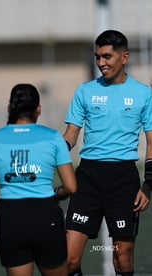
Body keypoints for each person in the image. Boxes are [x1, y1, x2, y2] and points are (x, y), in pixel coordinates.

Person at [63, 30, 152, 276]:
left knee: (122, 259)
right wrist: (51, 153)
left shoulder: (143, 93)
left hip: (123, 179)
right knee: (69, 259)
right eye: (97, 57)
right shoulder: (84, 91)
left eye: (107, 57)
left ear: (124, 57)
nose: (101, 63)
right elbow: (71, 135)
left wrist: (148, 185)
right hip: (88, 177)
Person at [0, 83, 77, 276]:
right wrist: (54, 194)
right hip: (46, 216)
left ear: (10, 108)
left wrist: (15, 196)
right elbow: (71, 187)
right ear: (38, 109)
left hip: (11, 218)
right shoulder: (53, 137)